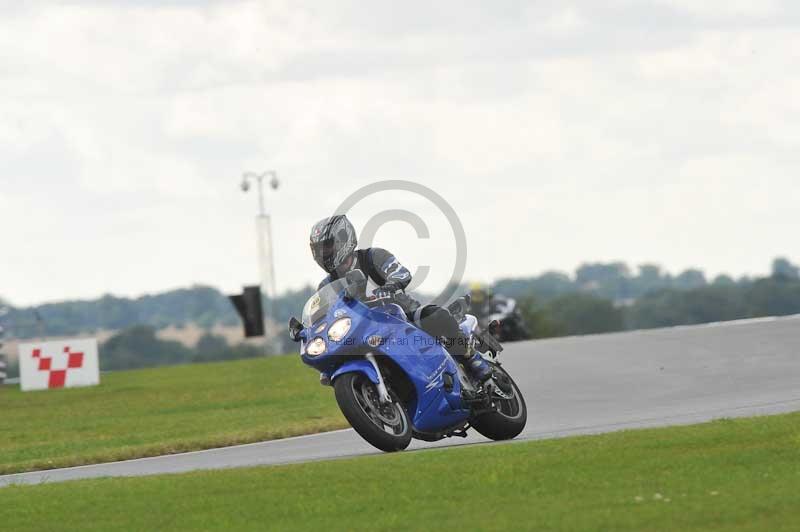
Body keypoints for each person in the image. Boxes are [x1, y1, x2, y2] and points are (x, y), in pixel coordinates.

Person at [309, 214, 494, 384]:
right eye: (318, 249)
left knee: (436, 315)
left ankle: (472, 358)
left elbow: (401, 273)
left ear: (343, 239)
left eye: (327, 246)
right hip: (365, 332)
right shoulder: (326, 286)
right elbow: (325, 315)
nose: (323, 253)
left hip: (404, 316)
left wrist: (390, 285)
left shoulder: (372, 257)